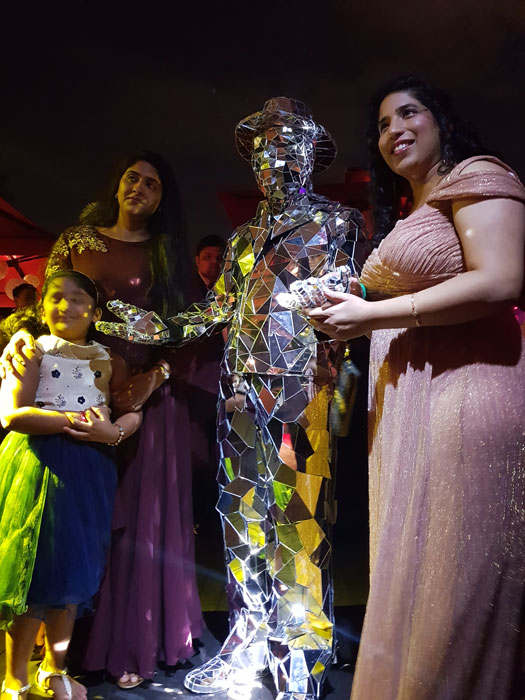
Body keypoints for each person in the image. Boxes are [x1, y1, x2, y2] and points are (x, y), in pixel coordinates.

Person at [96, 97, 369, 700]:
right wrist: (158, 327)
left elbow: (349, 286)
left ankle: (300, 659)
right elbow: (215, 308)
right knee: (242, 520)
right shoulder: (244, 238)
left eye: (286, 144)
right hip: (239, 399)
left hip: (301, 395)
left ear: (310, 154)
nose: (273, 158)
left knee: (299, 522)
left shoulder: (337, 222)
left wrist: (321, 294)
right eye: (263, 148)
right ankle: (248, 643)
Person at [307, 77, 525, 699]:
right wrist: (350, 305)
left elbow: (500, 280)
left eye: (409, 113)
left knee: (457, 584)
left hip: (469, 394)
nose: (394, 130)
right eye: (382, 124)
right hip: (414, 407)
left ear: (441, 121)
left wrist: (370, 314)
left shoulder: (477, 175)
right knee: (422, 576)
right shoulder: (414, 210)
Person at [2, 151, 202, 688]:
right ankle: (46, 660)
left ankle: (127, 642)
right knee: (64, 525)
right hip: (69, 400)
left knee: (133, 523)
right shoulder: (78, 239)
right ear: (117, 185)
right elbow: (44, 305)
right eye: (132, 178)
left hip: (140, 400)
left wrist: (155, 377)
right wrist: (19, 338)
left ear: (163, 199)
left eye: (153, 184)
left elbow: (193, 326)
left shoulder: (167, 253)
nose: (139, 188)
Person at [0, 270, 142, 700]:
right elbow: (12, 414)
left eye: (78, 299)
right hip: (39, 466)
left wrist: (116, 432)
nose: (66, 306)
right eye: (56, 297)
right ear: (42, 306)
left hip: (90, 471)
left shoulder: (108, 358)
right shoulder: (32, 350)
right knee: (32, 572)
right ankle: (15, 677)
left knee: (73, 574)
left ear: (95, 312)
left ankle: (55, 668)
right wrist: (75, 422)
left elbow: (131, 406)